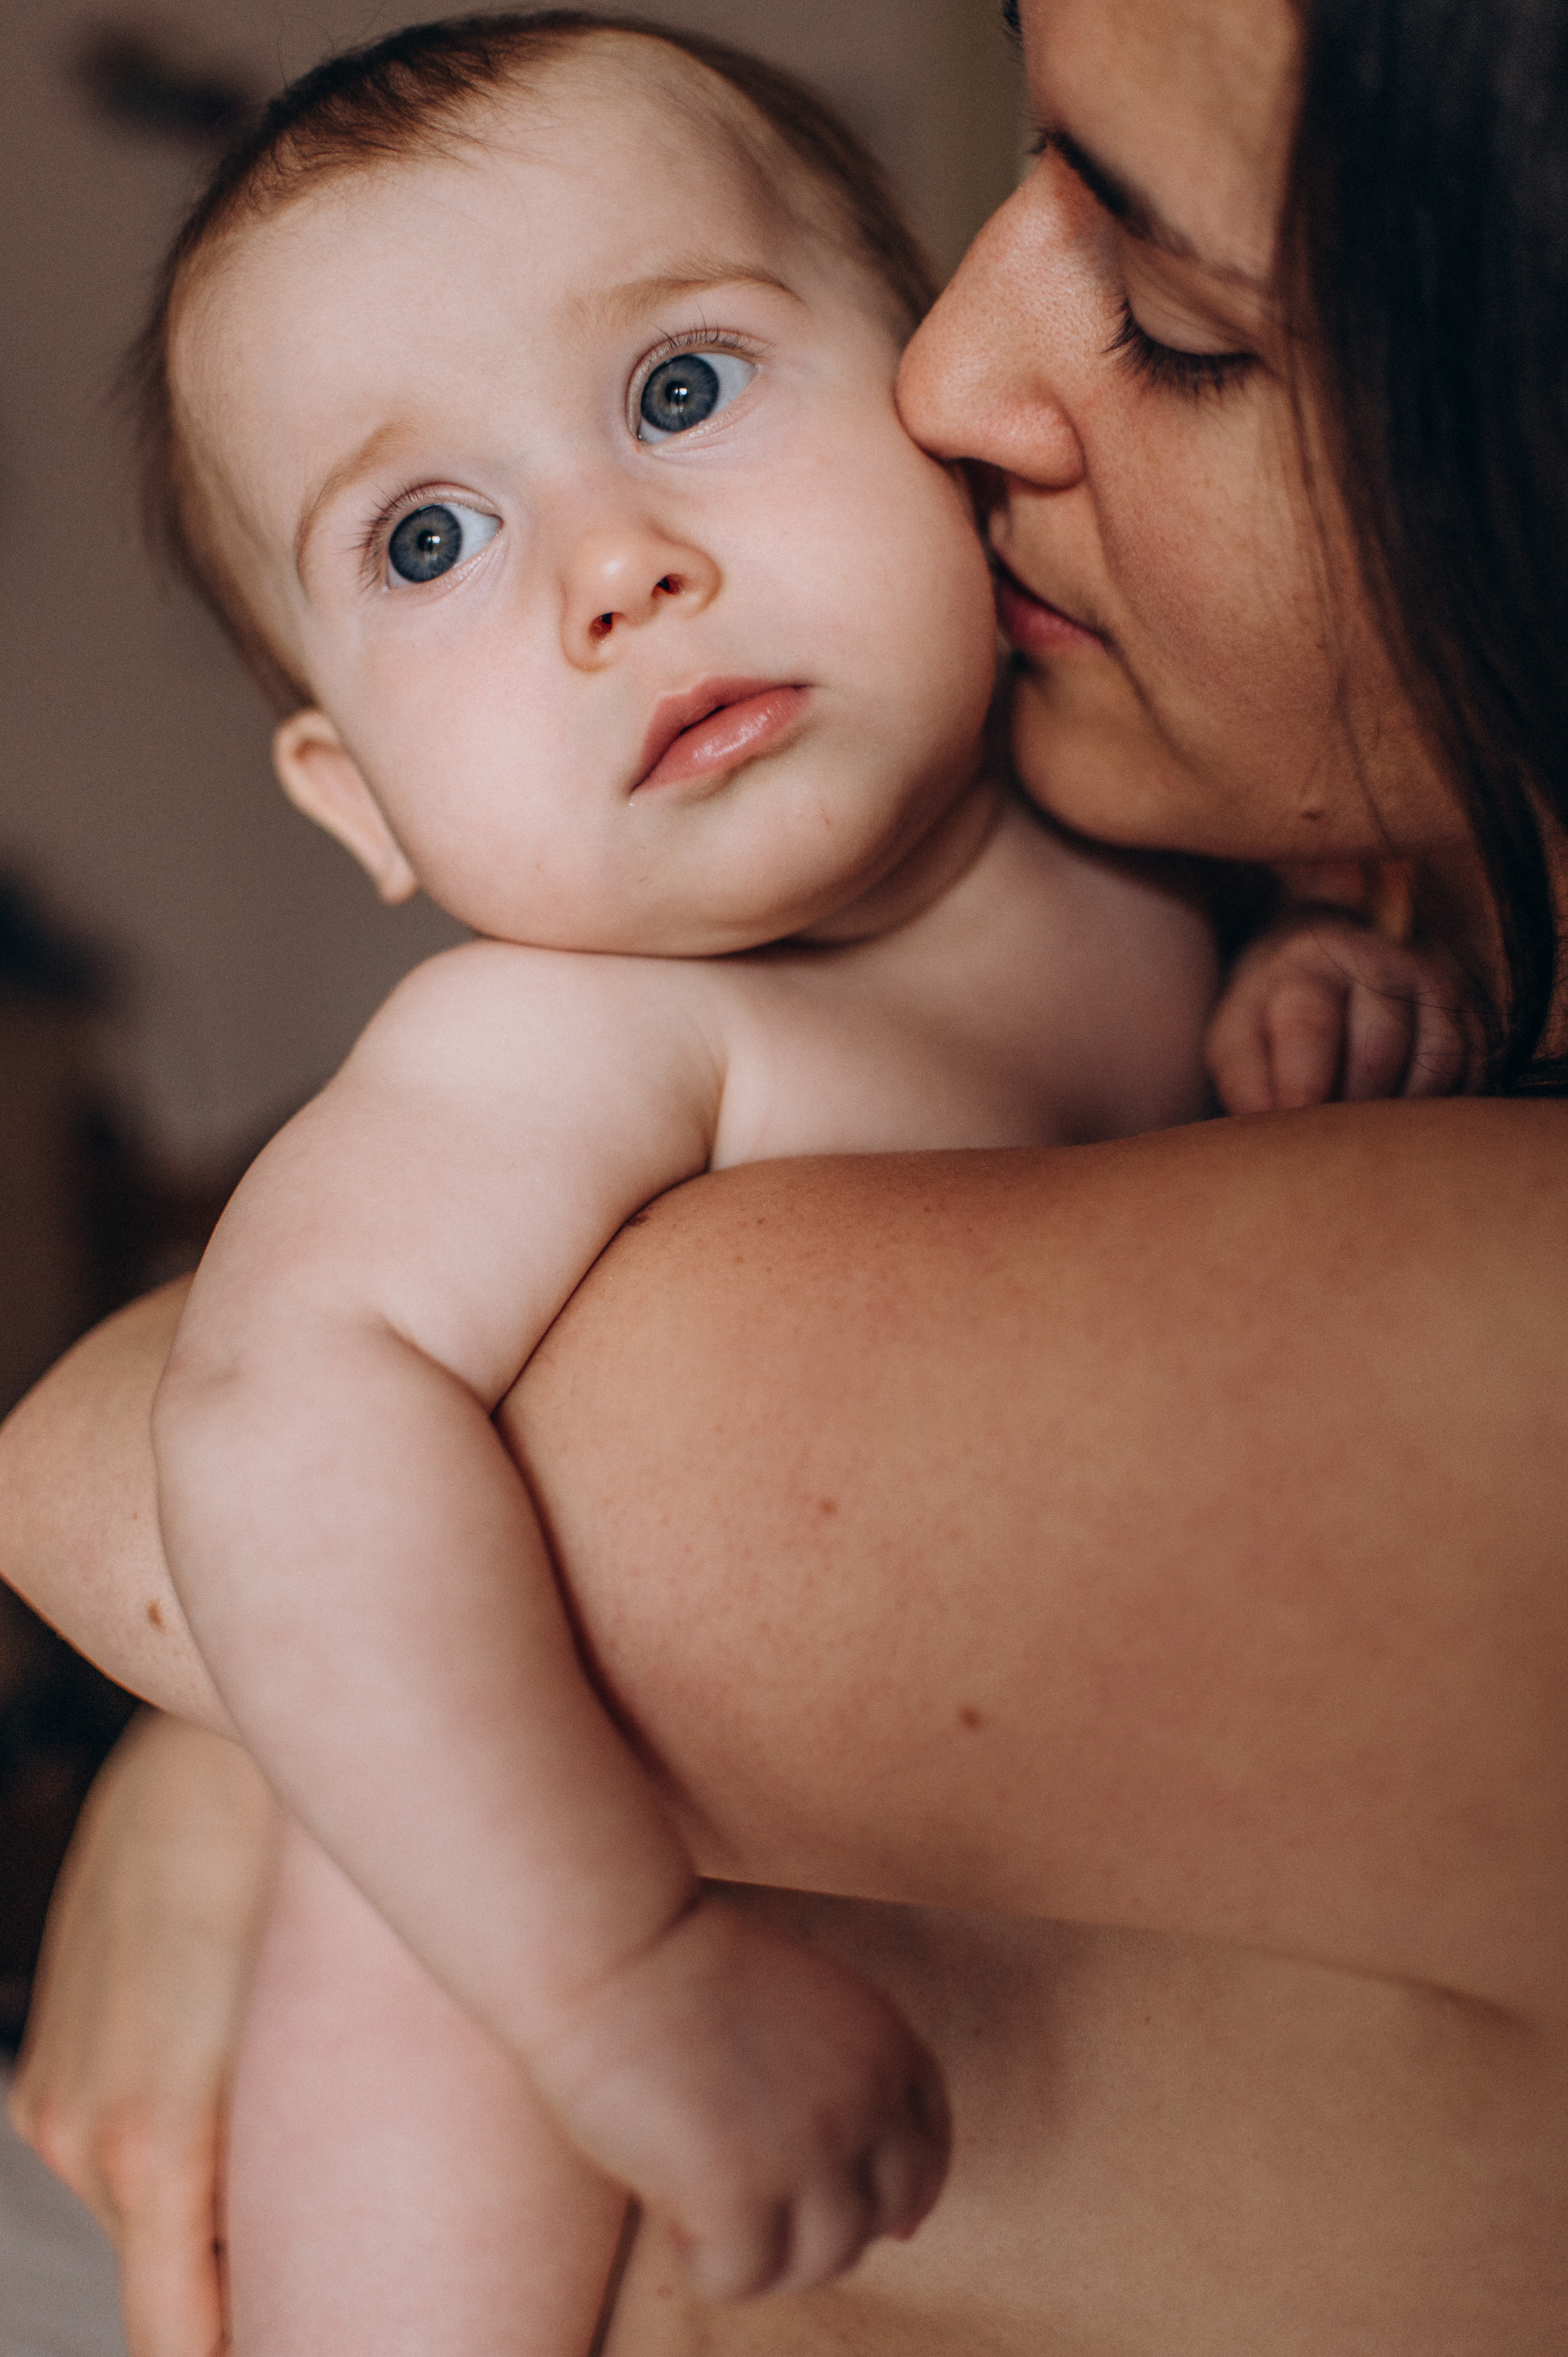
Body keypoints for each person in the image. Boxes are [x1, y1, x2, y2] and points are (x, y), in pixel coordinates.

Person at [7, 0, 1568, 2350]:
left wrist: (1317, 1028)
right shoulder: (555, 1038)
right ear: (357, 802)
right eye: (429, 535)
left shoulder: (1181, 880)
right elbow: (264, 1410)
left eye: (680, 391)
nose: (614, 567)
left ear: (910, 419)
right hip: (505, 2032)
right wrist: (604, 1973)